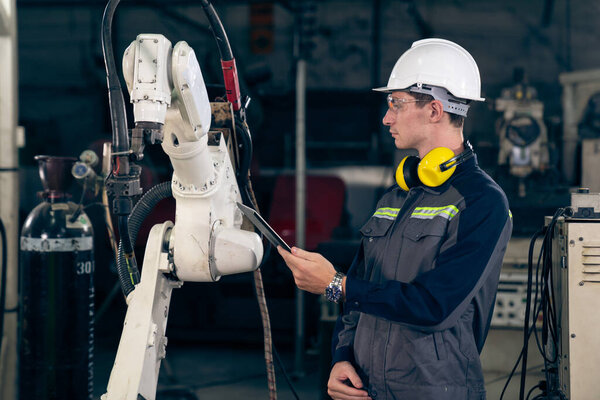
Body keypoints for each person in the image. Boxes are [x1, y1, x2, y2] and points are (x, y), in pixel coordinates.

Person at [278, 38, 512, 400]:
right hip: (368, 388)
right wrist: (343, 357)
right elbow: (362, 283)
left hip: (435, 391)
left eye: (397, 104)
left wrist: (336, 285)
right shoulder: (397, 194)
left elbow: (435, 305)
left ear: (435, 110)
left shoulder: (482, 202)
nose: (387, 117)